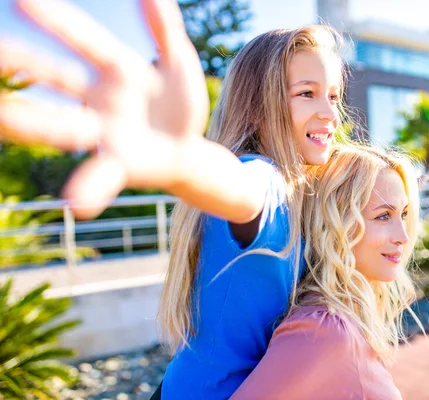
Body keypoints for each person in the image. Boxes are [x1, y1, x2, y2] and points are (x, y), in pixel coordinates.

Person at [0, 0, 352, 398]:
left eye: (335, 96)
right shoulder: (263, 181)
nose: (330, 113)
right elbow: (233, 182)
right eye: (307, 93)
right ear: (258, 107)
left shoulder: (309, 190)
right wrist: (176, 156)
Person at [231, 144, 424, 399]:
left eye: (404, 214)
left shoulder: (343, 322)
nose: (403, 236)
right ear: (335, 222)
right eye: (383, 216)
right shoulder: (324, 331)